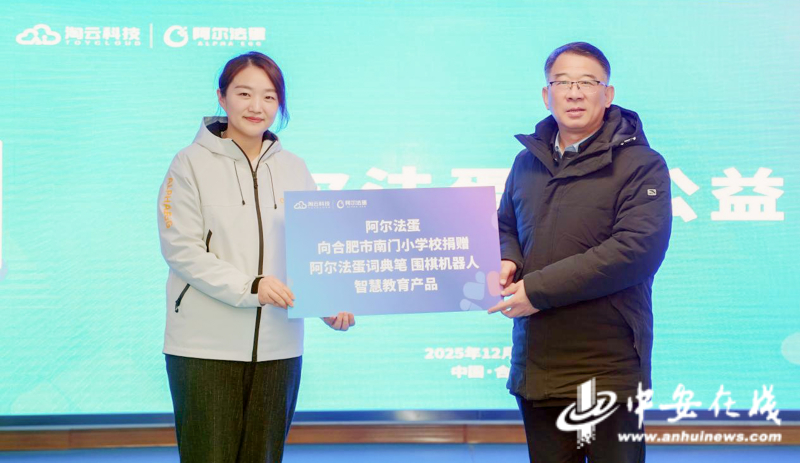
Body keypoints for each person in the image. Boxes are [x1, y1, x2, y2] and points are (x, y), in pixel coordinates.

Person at [157, 51, 355, 463]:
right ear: (222, 97)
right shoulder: (189, 163)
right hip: (205, 348)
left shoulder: (295, 168)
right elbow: (182, 249)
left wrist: (329, 299)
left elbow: (315, 248)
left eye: (269, 96)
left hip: (279, 348)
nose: (256, 106)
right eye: (244, 93)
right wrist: (251, 287)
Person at [489, 42, 672, 462]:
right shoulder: (526, 162)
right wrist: (508, 258)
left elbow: (636, 250)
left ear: (608, 95)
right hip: (539, 363)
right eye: (563, 83)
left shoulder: (641, 164)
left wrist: (536, 290)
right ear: (546, 94)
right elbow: (505, 225)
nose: (574, 93)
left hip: (607, 364)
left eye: (587, 82)